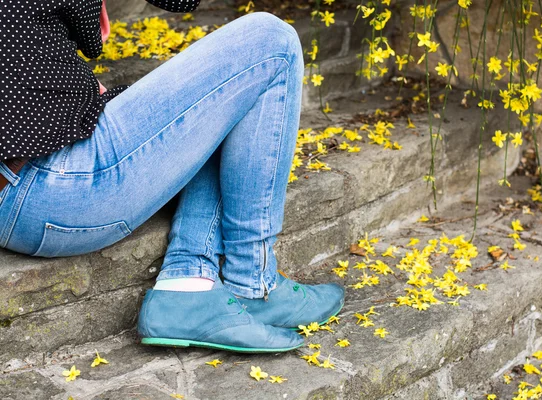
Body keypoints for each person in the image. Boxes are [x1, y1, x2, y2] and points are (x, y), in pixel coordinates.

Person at [0, 0, 344, 353]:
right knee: (273, 42)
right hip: (47, 185)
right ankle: (253, 283)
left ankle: (188, 283)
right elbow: (95, 28)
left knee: (217, 95)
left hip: (20, 184)